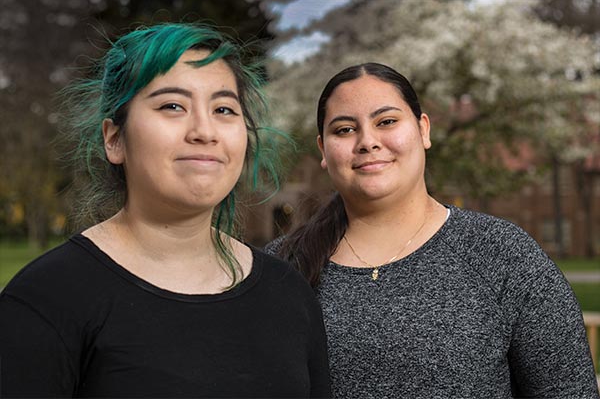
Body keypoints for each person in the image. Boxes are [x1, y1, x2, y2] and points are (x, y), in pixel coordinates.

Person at [0, 23, 331, 398]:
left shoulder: (287, 294)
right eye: (172, 106)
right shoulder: (46, 300)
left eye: (224, 109)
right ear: (114, 139)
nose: (205, 131)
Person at [266, 62, 599, 398]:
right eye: (344, 130)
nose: (367, 141)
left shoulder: (504, 255)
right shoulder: (279, 268)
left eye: (387, 122)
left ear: (423, 130)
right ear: (323, 150)